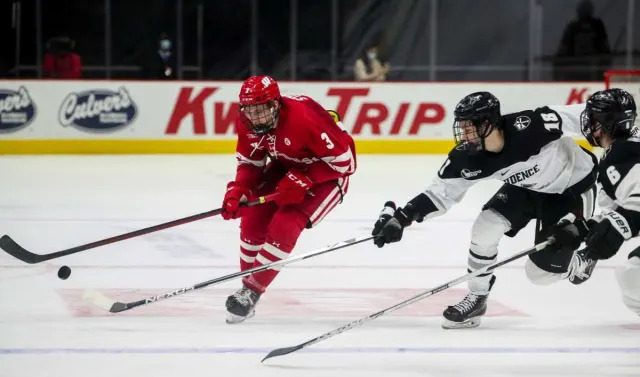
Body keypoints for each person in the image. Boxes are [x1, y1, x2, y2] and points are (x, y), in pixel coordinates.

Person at [372, 91, 598, 329]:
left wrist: (622, 141)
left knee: (540, 275)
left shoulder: (530, 126)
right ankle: (477, 298)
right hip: (528, 189)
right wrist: (402, 218)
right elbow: (440, 193)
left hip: (573, 188)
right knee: (485, 227)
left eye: (470, 126)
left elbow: (586, 116)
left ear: (488, 123)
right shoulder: (467, 158)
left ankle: (581, 262)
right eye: (461, 126)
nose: (464, 133)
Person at [221, 75, 357, 324]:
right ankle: (248, 288)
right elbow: (251, 163)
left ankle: (252, 291)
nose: (254, 117)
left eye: (260, 111)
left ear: (275, 105)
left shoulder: (304, 119)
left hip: (328, 175)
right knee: (252, 219)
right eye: (248, 110)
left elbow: (346, 163)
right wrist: (239, 190)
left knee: (285, 223)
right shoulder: (249, 122)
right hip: (286, 167)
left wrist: (306, 178)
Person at [548, 88, 640, 316]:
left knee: (632, 276)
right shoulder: (623, 150)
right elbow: (621, 209)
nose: (589, 125)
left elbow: (634, 208)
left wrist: (601, 244)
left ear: (609, 124)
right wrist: (582, 229)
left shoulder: (621, 155)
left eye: (594, 120)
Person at [554, 0, 611, 81]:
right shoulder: (573, 27)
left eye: (586, 9)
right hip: (575, 68)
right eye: (582, 9)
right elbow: (564, 48)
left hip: (594, 68)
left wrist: (604, 61)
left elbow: (604, 46)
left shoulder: (597, 25)